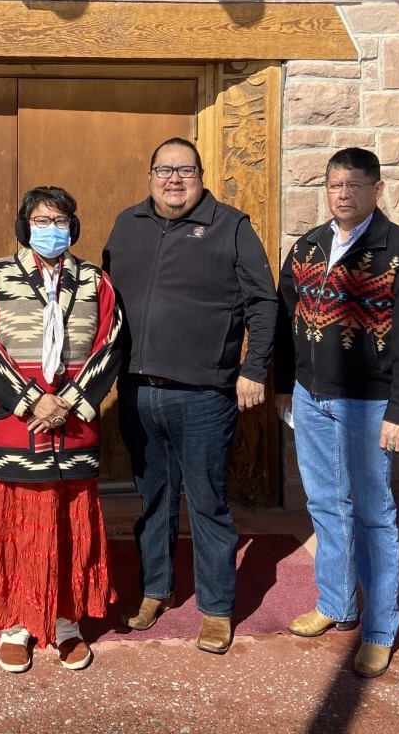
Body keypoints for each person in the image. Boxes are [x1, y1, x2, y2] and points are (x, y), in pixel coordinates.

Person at [102, 137, 278, 655]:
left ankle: (217, 608)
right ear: (150, 175)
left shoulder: (232, 226)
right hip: (136, 392)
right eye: (163, 169)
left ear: (202, 175)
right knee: (153, 499)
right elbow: (104, 298)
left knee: (207, 503)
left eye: (185, 170)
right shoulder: (126, 224)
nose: (173, 179)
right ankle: (156, 589)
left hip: (204, 395)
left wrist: (253, 368)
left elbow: (263, 303)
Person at [274, 147, 399, 678]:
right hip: (311, 396)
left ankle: (379, 628)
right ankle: (337, 604)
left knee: (372, 513)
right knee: (325, 503)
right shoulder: (307, 247)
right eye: (333, 185)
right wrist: (283, 387)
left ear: (377, 189)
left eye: (353, 184)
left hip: (371, 406)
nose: (342, 193)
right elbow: (284, 322)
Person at [0, 186, 124, 673]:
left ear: (73, 227)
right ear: (24, 225)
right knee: (16, 525)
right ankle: (16, 622)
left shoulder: (95, 281)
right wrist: (33, 399)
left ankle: (65, 624)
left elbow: (112, 343)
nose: (51, 228)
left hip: (73, 426)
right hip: (18, 424)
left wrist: (71, 402)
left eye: (60, 219)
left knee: (68, 525)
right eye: (41, 219)